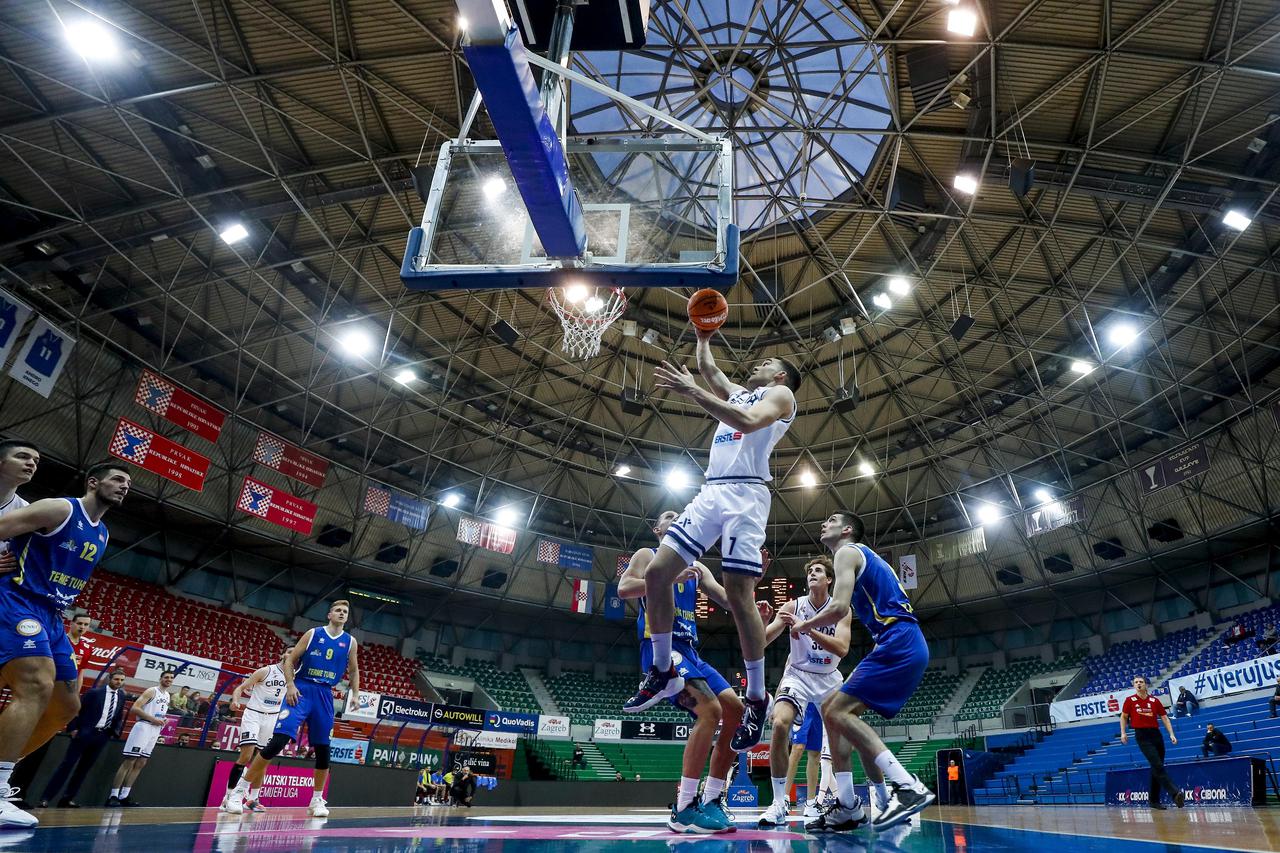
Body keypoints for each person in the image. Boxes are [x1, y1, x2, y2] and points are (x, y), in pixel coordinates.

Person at [624, 336, 802, 755]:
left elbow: (746, 421)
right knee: (656, 574)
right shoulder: (743, 391)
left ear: (779, 374)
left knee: (739, 592)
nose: (757, 362)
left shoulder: (780, 394)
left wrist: (691, 391)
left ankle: (757, 696)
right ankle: (664, 669)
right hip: (711, 492)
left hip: (746, 494)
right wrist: (703, 335)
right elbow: (710, 370)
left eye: (766, 358)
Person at [0, 461, 128, 827]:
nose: (124, 486)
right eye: (117, 479)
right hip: (17, 600)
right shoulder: (59, 508)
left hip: (53, 616)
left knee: (66, 706)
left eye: (127, 483)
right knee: (36, 684)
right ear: (93, 482)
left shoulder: (102, 533)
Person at [792, 511, 934, 833]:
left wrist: (805, 626)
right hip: (899, 642)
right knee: (834, 712)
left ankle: (906, 787)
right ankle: (849, 807)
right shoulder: (860, 562)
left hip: (898, 639)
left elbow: (839, 608)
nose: (822, 523)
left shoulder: (847, 552)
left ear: (847, 530)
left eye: (829, 519)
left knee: (837, 711)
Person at [618, 510, 743, 834]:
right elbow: (624, 588)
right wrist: (668, 578)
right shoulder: (649, 555)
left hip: (691, 651)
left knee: (736, 712)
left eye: (680, 516)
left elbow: (729, 601)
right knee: (710, 711)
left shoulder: (697, 566)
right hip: (661, 647)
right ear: (657, 529)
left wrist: (748, 581)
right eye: (668, 516)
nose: (675, 518)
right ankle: (684, 807)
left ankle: (713, 797)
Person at [225, 599, 361, 817]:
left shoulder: (350, 641)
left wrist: (355, 694)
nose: (342, 613)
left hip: (325, 694)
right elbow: (290, 661)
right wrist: (290, 685)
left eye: (345, 611)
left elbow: (353, 671)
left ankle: (317, 799)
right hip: (302, 689)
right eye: (338, 610)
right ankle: (238, 791)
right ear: (329, 614)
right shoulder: (313, 634)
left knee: (324, 750)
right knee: (277, 741)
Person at [757, 556, 851, 828]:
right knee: (779, 724)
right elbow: (762, 641)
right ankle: (778, 803)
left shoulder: (841, 609)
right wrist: (762, 621)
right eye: (810, 571)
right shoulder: (793, 605)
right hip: (797, 674)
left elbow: (842, 649)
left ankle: (845, 801)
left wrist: (807, 628)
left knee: (839, 739)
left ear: (829, 579)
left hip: (829, 676)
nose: (812, 573)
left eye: (818, 570)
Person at [9, 608, 93, 807]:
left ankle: (17, 793)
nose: (82, 627)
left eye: (86, 625)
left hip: (57, 703)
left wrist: (73, 699)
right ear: (71, 623)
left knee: (39, 749)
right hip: (40, 696)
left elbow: (79, 675)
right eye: (79, 623)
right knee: (18, 738)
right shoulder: (56, 640)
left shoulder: (86, 649)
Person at [38, 668, 127, 808]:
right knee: (66, 766)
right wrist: (73, 728)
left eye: (121, 680)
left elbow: (118, 715)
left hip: (102, 736)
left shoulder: (121, 696)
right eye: (116, 679)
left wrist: (113, 732)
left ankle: (67, 799)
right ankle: (46, 798)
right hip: (85, 734)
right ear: (110, 679)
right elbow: (78, 709)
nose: (119, 682)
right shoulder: (94, 693)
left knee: (83, 770)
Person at [221, 657, 288, 812]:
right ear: (284, 656)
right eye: (289, 652)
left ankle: (252, 799)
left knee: (263, 759)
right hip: (254, 714)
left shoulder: (294, 676)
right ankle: (229, 797)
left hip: (273, 717)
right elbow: (239, 688)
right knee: (246, 756)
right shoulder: (266, 671)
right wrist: (235, 701)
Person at [106, 668, 174, 806]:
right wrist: (152, 719)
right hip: (143, 727)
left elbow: (157, 713)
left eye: (171, 678)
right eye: (166, 677)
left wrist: (163, 719)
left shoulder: (167, 695)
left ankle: (124, 795)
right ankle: (113, 795)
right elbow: (135, 708)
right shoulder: (151, 691)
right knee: (130, 761)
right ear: (160, 678)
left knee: (141, 763)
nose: (169, 679)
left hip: (155, 730)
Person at [1120, 675, 1184, 810]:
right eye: (1136, 682)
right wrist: (1123, 732)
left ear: (1146, 685)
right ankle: (1175, 793)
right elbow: (1124, 717)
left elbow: (1165, 717)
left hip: (1156, 735)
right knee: (1157, 765)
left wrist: (1171, 734)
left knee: (1157, 767)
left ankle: (1154, 801)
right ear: (1134, 685)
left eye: (1141, 682)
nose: (1138, 684)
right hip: (1142, 736)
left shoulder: (1154, 701)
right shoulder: (1130, 700)